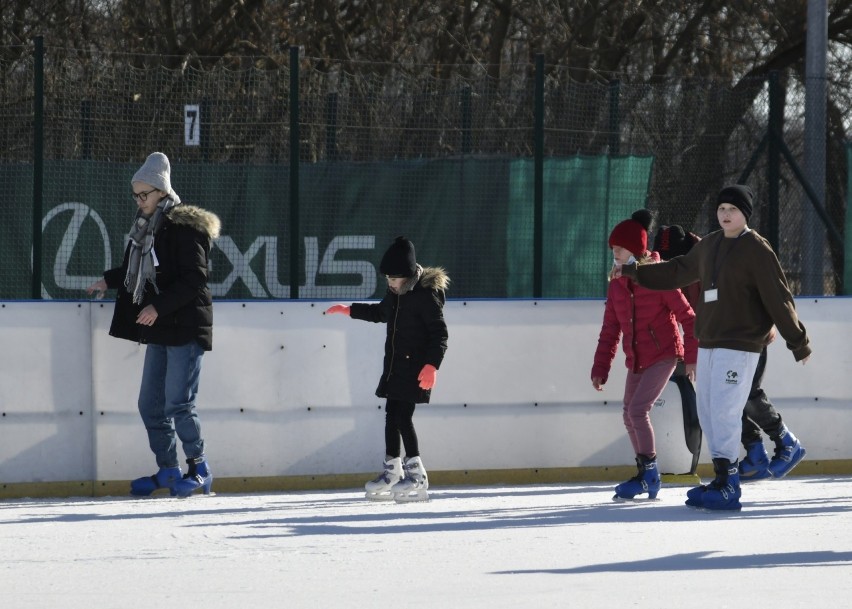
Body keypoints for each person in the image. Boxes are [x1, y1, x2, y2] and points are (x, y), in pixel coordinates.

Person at [619, 185, 810, 511]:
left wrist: (798, 341)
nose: (725, 214)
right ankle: (722, 479)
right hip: (708, 341)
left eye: (732, 210)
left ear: (744, 214)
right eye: (721, 208)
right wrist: (635, 271)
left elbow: (779, 296)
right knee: (708, 412)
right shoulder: (709, 245)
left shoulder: (756, 248)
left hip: (740, 344)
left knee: (724, 412)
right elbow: (677, 270)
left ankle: (730, 486)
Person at [86, 152, 221, 498]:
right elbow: (142, 268)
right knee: (150, 405)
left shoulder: (184, 228)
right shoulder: (149, 227)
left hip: (187, 325)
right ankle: (169, 470)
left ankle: (200, 467)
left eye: (144, 194)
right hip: (162, 327)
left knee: (179, 403)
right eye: (136, 195)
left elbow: (194, 279)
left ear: (161, 191)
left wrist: (157, 307)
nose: (139, 201)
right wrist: (108, 280)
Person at [654, 225, 807, 482]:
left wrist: (770, 323)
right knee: (723, 401)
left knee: (746, 393)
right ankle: (756, 453)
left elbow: (763, 289)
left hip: (748, 337)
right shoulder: (692, 263)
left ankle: (786, 441)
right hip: (717, 342)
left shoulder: (718, 257)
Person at [325, 236, 449, 502]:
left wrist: (431, 366)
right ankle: (392, 469)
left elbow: (440, 334)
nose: (390, 284)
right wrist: (349, 310)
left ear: (407, 276)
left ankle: (417, 475)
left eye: (394, 279)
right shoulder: (395, 294)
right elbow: (380, 313)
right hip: (395, 367)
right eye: (388, 280)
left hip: (415, 369)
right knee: (391, 416)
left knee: (403, 417)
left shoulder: (425, 297)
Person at [591, 209, 698, 501]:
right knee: (628, 413)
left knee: (638, 410)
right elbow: (610, 329)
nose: (614, 253)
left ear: (636, 252)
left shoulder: (658, 279)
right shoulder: (616, 285)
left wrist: (691, 358)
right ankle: (644, 473)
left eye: (620, 249)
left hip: (664, 354)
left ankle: (650, 473)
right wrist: (601, 367)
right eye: (613, 248)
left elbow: (688, 317)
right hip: (637, 358)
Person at [652, 225, 703, 475]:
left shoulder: (704, 262)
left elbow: (693, 317)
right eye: (662, 258)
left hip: (711, 340)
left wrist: (693, 355)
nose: (666, 264)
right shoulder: (659, 274)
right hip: (674, 349)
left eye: (672, 258)